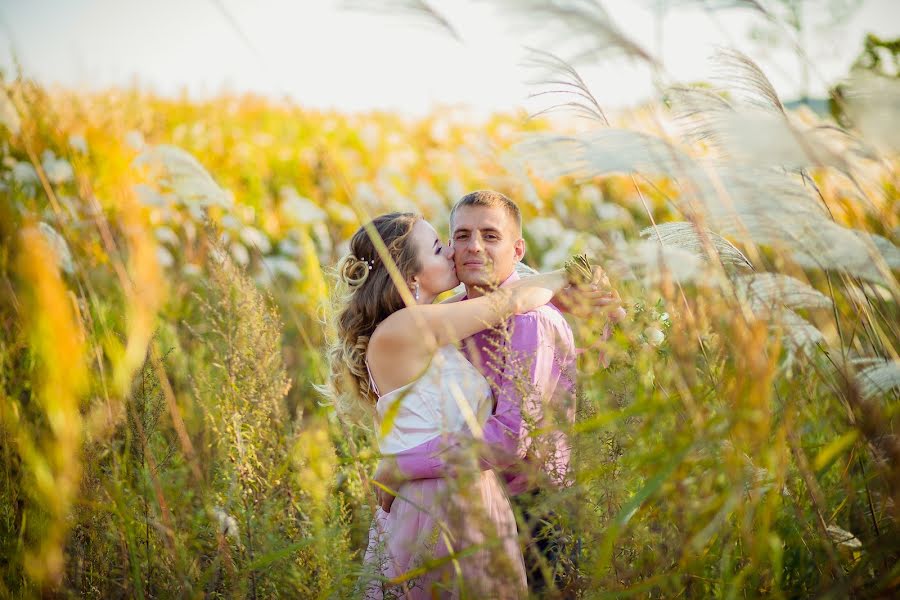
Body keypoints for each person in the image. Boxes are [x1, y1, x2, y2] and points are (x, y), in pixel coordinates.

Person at [373, 191, 622, 594]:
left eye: (491, 236)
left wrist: (403, 465)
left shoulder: (532, 322)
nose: (474, 246)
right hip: (458, 506)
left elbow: (509, 440)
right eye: (462, 235)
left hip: (532, 512)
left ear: (517, 248)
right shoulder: (447, 314)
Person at [327, 211, 573, 598]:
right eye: (440, 249)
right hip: (438, 505)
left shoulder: (431, 325)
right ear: (412, 275)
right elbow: (514, 299)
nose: (453, 255)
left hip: (467, 491)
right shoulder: (407, 327)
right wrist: (566, 275)